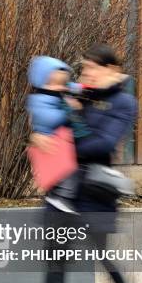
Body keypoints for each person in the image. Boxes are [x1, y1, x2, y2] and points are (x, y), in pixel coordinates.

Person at [24, 44, 142, 283]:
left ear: (111, 69)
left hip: (95, 191)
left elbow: (104, 143)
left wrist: (64, 142)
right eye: (85, 68)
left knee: (103, 258)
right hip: (62, 189)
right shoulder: (78, 94)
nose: (86, 73)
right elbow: (50, 119)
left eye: (92, 68)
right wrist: (39, 137)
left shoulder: (123, 102)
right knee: (55, 259)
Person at [26, 56, 90, 214]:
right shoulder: (39, 99)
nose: (59, 87)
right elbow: (47, 117)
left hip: (60, 141)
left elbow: (73, 87)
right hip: (51, 141)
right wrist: (67, 112)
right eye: (54, 83)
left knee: (67, 172)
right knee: (66, 173)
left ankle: (61, 197)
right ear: (42, 82)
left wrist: (84, 88)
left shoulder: (61, 90)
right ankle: (61, 197)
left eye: (62, 83)